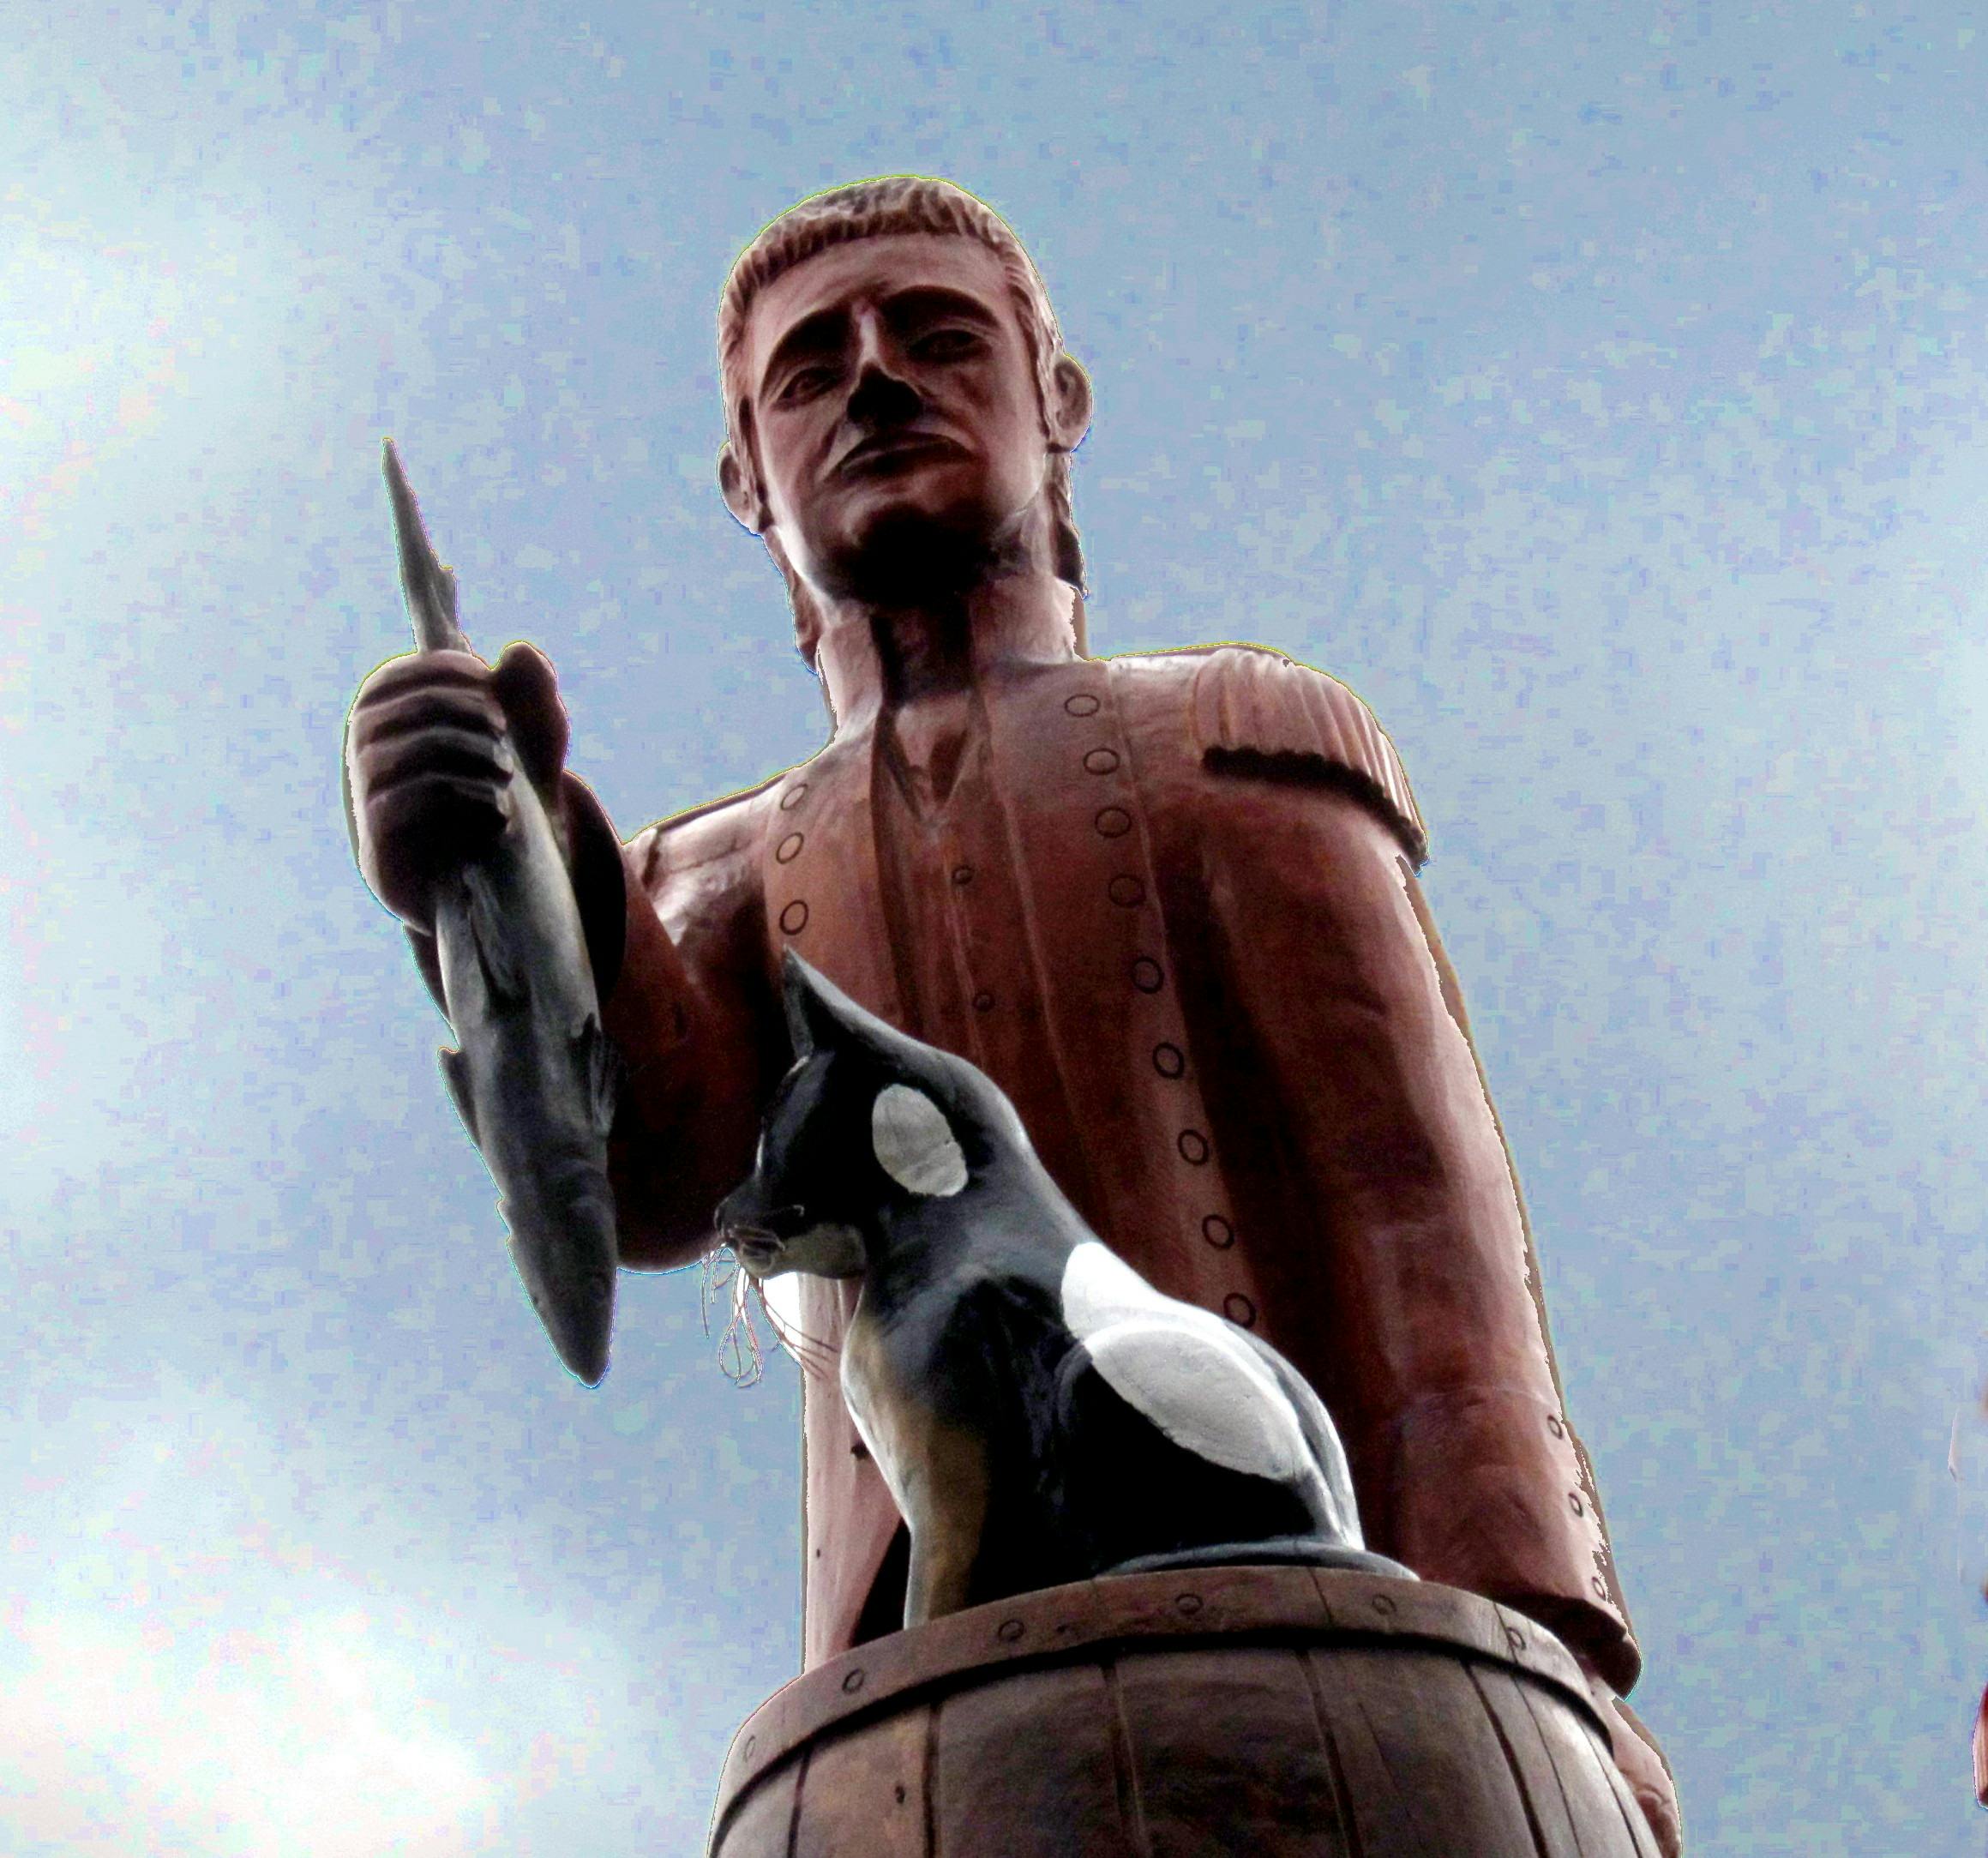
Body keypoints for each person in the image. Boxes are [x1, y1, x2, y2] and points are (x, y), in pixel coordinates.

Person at [345, 177, 1681, 1852]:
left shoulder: (1229, 738)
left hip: (1309, 1614)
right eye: (810, 365)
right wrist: (494, 868)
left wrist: (1540, 1635)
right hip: (927, 1678)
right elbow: (651, 1175)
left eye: (935, 334)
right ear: (745, 478)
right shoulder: (715, 876)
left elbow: (1414, 1205)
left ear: (1054, 404)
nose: (876, 379)